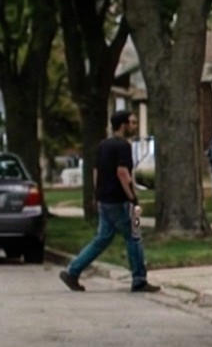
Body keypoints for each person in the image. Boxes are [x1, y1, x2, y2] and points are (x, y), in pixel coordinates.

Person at [60, 107, 158, 294]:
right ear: (123, 125)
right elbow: (122, 173)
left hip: (105, 200)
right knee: (134, 235)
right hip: (121, 201)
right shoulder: (123, 146)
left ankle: (73, 271)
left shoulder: (103, 145)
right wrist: (133, 199)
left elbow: (96, 171)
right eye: (132, 122)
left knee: (102, 238)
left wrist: (97, 195)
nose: (135, 126)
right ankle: (139, 279)